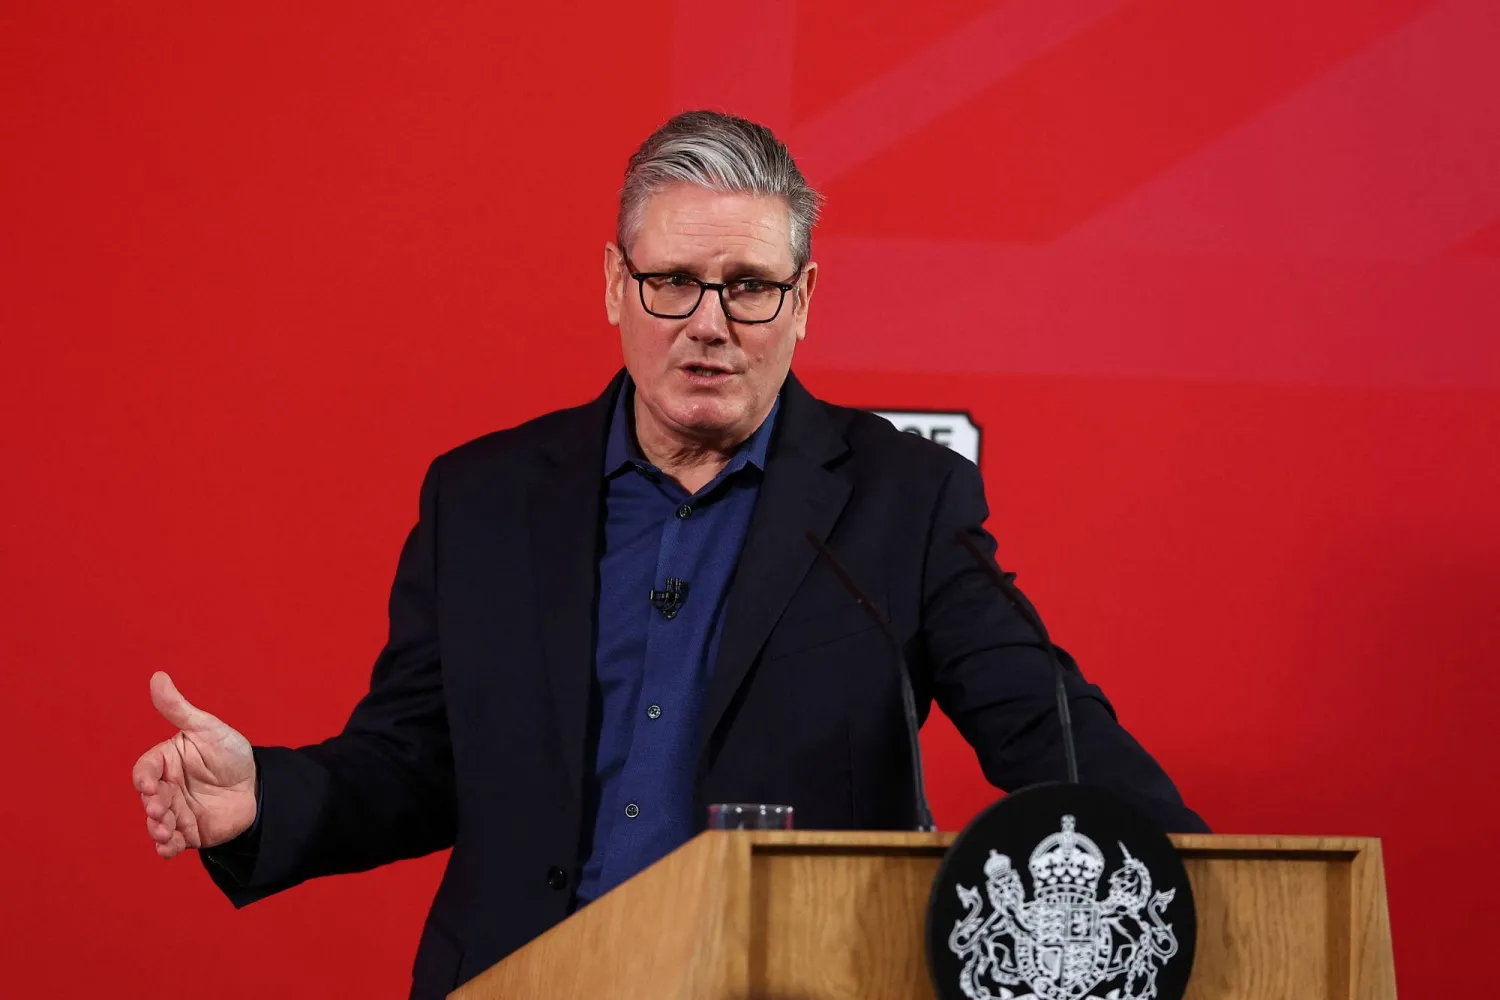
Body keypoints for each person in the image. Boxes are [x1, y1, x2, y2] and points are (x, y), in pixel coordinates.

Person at [132, 110, 1205, 999]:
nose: (709, 323)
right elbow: (419, 763)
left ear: (804, 302)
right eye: (673, 282)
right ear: (613, 285)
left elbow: (1044, 726)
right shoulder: (484, 497)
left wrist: (1204, 885)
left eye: (748, 285)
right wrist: (266, 794)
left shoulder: (900, 499)